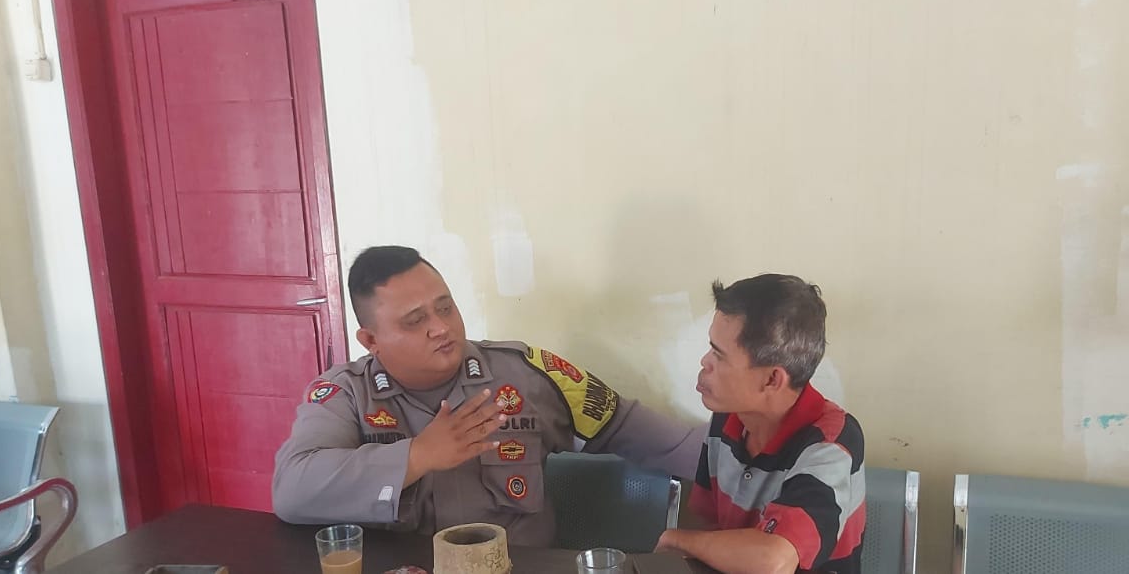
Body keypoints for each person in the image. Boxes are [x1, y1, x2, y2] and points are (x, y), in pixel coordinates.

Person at [273, 245, 704, 547]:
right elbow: (292, 489)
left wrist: (741, 458)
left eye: (445, 307)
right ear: (371, 340)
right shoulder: (346, 395)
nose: (441, 327)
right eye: (415, 320)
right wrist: (417, 456)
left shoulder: (528, 374)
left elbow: (644, 433)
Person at [657, 274, 865, 574]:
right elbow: (710, 528)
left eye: (719, 355)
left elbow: (773, 561)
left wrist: (676, 539)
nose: (704, 362)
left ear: (771, 380)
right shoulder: (727, 419)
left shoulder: (831, 442)